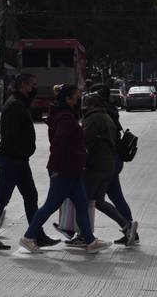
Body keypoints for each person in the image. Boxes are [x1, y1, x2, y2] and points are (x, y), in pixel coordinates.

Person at [19, 85, 111, 254]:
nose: (79, 101)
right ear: (68, 99)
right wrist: (58, 168)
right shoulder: (66, 118)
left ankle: (90, 241)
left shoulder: (63, 115)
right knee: (51, 205)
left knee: (82, 205)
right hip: (64, 170)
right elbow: (60, 145)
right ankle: (28, 237)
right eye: (76, 97)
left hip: (72, 170)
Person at [0, 74, 59, 250]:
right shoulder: (15, 105)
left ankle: (37, 234)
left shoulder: (19, 103)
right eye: (33, 85)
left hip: (19, 160)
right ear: (24, 85)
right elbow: (12, 135)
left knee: (31, 196)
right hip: (12, 160)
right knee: (2, 199)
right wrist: (20, 151)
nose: (35, 88)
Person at [66, 94, 138, 247]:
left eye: (85, 104)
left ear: (90, 105)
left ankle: (84, 236)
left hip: (96, 167)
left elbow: (85, 142)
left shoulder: (93, 119)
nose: (82, 107)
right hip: (107, 165)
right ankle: (127, 226)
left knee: (82, 201)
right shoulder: (105, 117)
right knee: (99, 201)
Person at [89, 83, 137, 245]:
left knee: (89, 197)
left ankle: (81, 233)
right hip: (114, 159)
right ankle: (130, 228)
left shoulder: (98, 115)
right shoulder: (110, 110)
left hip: (106, 160)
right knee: (115, 196)